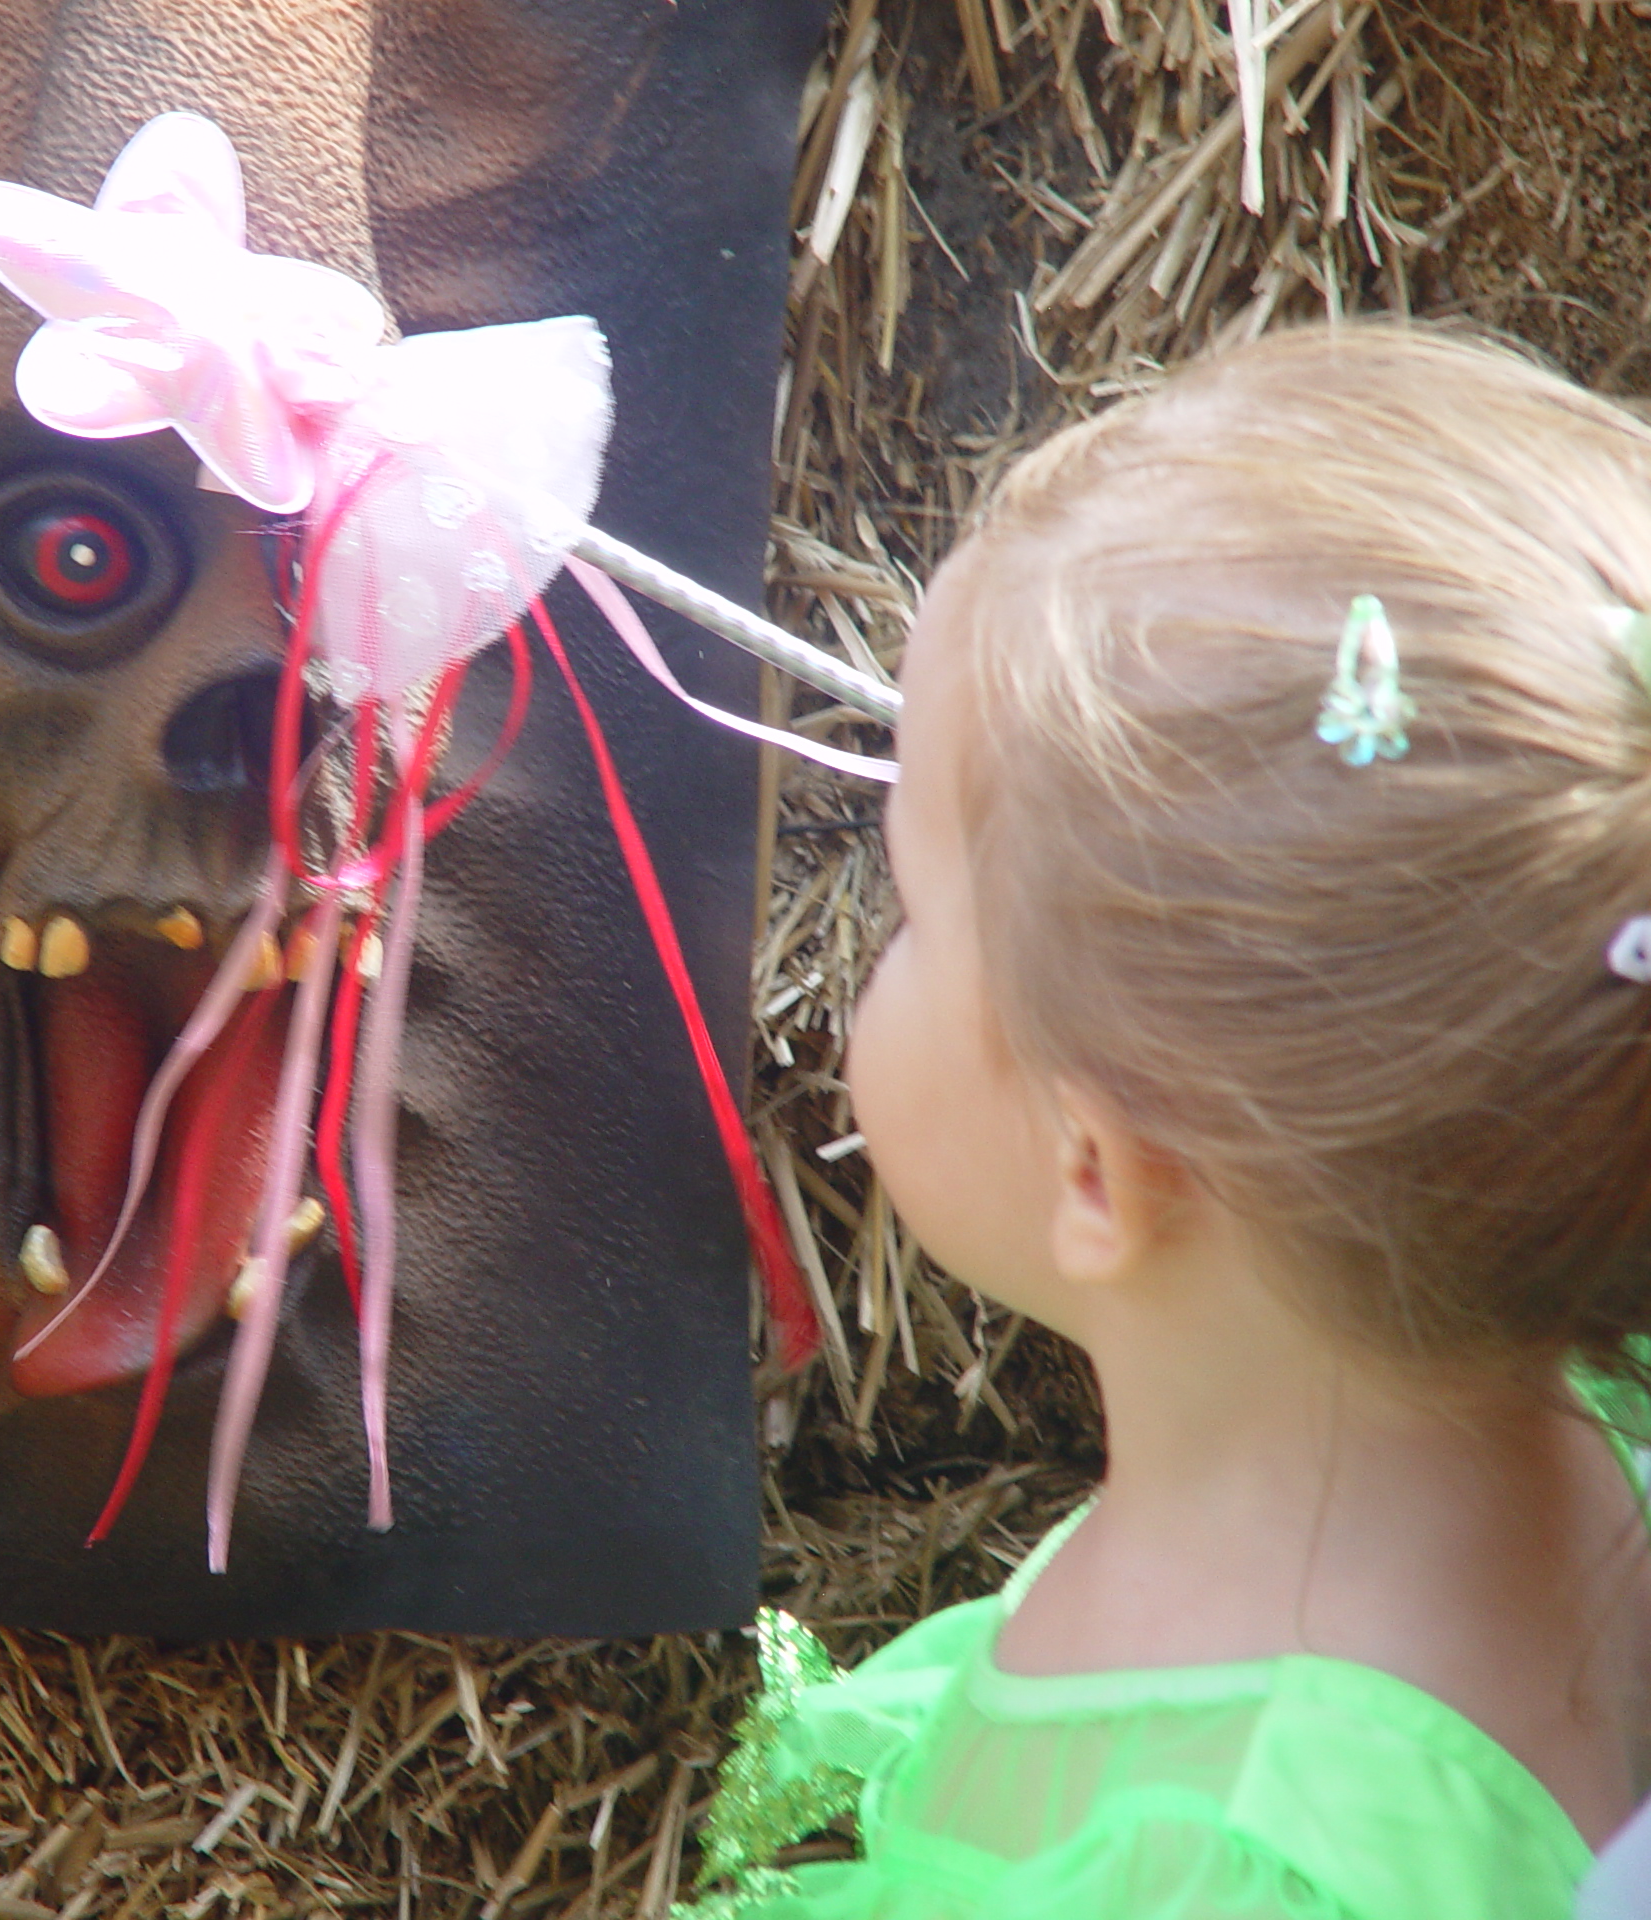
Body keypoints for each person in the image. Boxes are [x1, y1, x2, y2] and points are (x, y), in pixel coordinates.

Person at [691, 324, 1651, 1920]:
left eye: (915, 907)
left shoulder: (1241, 1874)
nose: (875, 939)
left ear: (1094, 1170)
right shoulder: (1557, 1452)